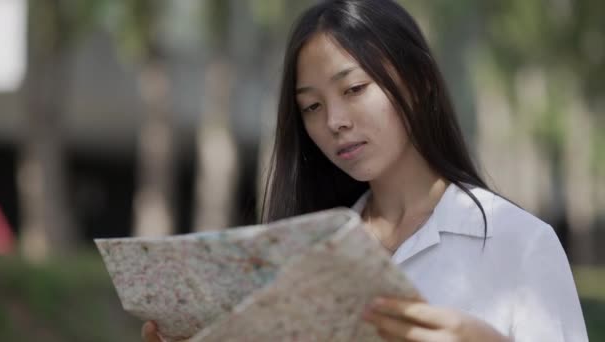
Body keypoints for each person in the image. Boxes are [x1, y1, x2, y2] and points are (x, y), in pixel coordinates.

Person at [143, 0, 588, 341]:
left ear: (420, 83)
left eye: (354, 88)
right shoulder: (304, 255)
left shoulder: (516, 242)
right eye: (312, 106)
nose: (334, 121)